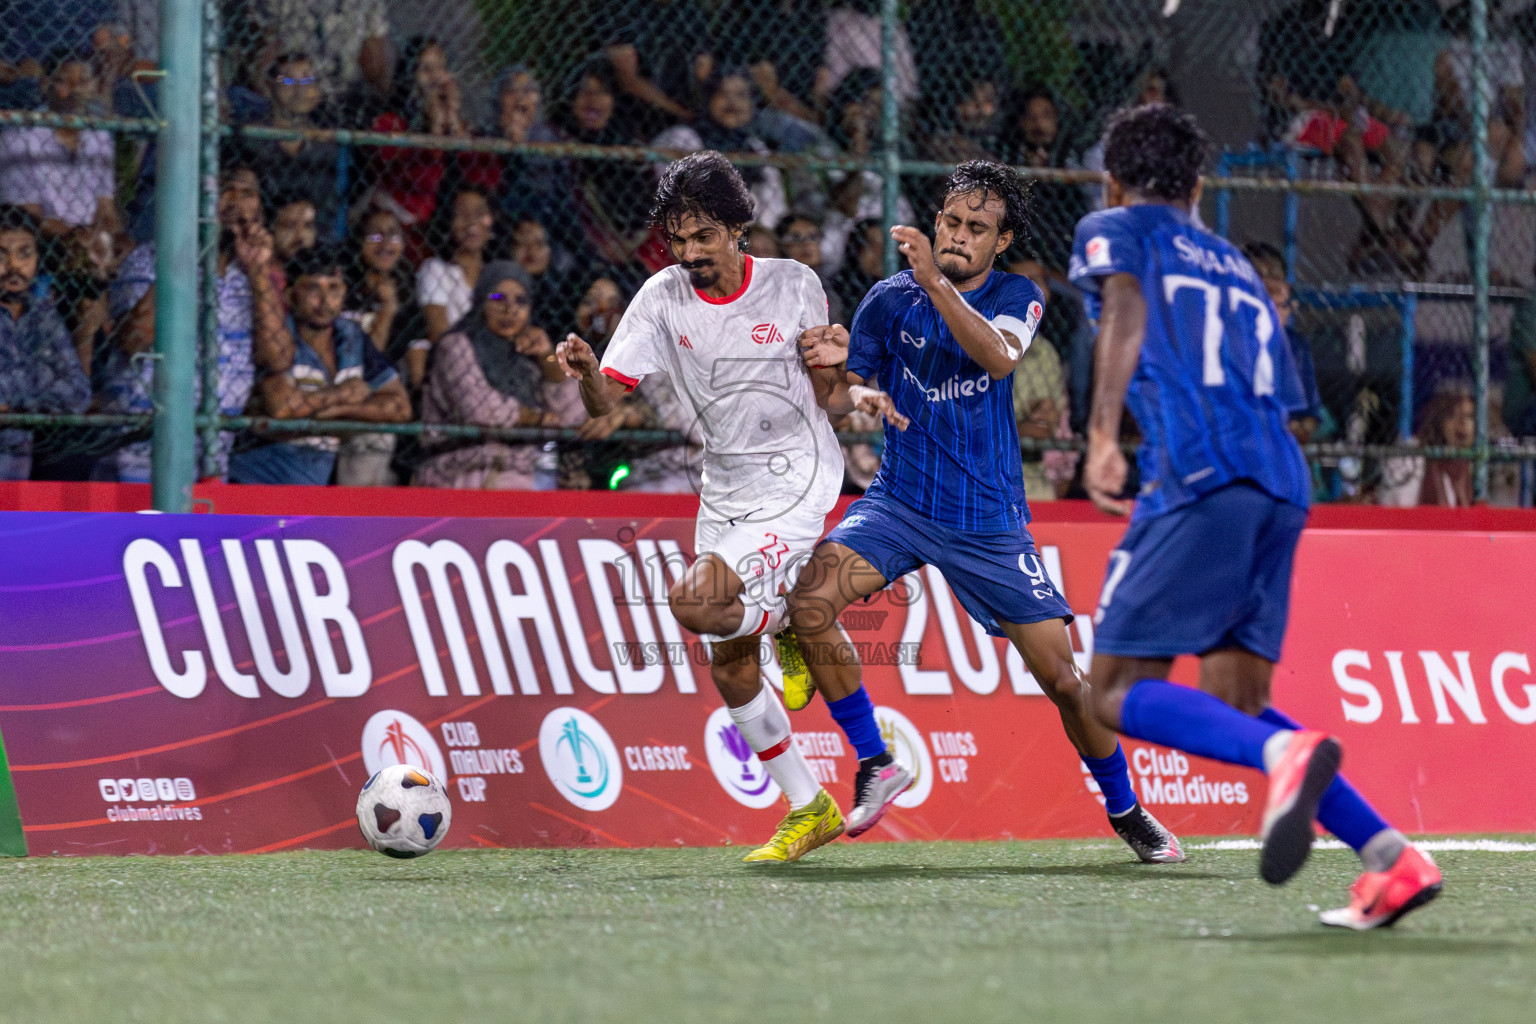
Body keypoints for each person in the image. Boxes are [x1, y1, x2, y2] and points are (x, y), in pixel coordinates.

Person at [1071, 103, 1441, 930]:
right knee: (1236, 704)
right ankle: (1391, 858)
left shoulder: (1117, 227)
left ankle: (1286, 756)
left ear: (1112, 178)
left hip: (1199, 476)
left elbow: (1125, 307)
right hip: (1281, 480)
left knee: (1111, 692)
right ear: (1200, 185)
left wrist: (1102, 435)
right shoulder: (1239, 264)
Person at [782, 161, 1178, 858]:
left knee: (1063, 680)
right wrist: (828, 374)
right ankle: (877, 760)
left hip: (987, 521)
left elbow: (997, 359)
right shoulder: (887, 299)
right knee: (806, 603)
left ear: (1001, 241)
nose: (959, 237)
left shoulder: (1018, 293)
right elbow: (843, 400)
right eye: (951, 223)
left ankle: (1125, 809)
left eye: (976, 229)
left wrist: (936, 281)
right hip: (899, 501)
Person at [556, 151, 888, 863]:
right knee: (730, 666)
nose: (689, 253)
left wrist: (848, 383)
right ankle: (810, 806)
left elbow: (827, 394)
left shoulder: (794, 284)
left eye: (703, 235)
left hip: (797, 481)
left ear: (739, 227)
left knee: (693, 602)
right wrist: (587, 375)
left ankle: (791, 622)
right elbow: (608, 400)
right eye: (677, 239)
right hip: (726, 493)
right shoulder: (661, 297)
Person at [95, 168, 266, 482]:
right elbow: (134, 340)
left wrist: (258, 273)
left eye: (247, 194)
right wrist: (186, 254)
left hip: (212, 457)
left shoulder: (252, 275)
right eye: (225, 190)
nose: (235, 202)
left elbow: (278, 358)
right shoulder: (148, 259)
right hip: (140, 455)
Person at [229, 244, 412, 485]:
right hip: (256, 481)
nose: (325, 301)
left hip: (312, 485)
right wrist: (343, 394)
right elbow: (282, 408)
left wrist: (334, 412)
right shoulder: (278, 338)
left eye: (334, 289)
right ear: (290, 295)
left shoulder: (352, 336)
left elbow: (400, 407)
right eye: (313, 288)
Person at [415, 262, 581, 489]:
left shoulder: (526, 357)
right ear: (481, 301)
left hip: (522, 468)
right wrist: (533, 417)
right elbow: (478, 409)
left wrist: (547, 357)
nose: (510, 309)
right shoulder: (457, 346)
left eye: (520, 301)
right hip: (461, 468)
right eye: (497, 298)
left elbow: (572, 415)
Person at [0, 204, 90, 480]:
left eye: (25, 254)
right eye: (1, 255)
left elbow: (77, 392)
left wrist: (18, 404)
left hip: (19, 459)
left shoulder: (42, 315)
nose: (14, 266)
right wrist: (37, 395)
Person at [0, 50, 119, 241]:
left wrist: (107, 239)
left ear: (95, 88)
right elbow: (29, 218)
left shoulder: (99, 134)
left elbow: (106, 208)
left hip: (91, 242)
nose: (75, 91)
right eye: (65, 82)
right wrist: (80, 239)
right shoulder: (19, 138)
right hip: (43, 245)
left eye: (83, 82)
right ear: (46, 85)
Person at [1243, 241, 1325, 447]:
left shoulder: (1294, 345)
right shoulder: (1230, 339)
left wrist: (1294, 430)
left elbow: (1308, 417)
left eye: (1276, 291)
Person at [418, 186, 496, 345]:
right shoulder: (435, 269)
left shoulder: (496, 272)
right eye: (461, 214)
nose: (472, 222)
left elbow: (501, 300)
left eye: (480, 213)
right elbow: (441, 333)